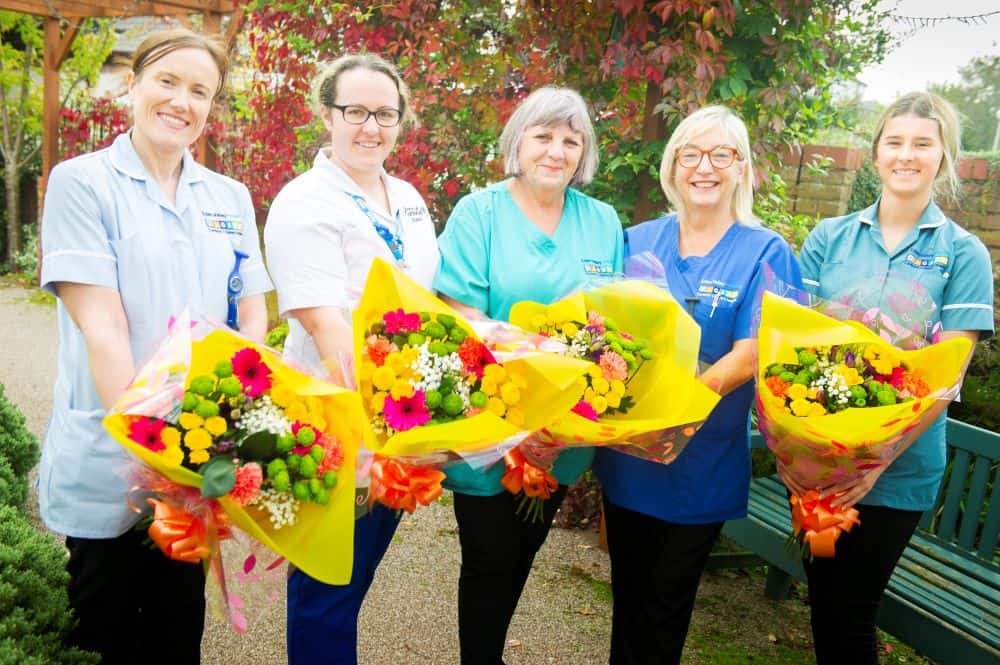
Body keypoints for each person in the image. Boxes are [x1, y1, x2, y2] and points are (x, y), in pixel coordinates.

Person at [37, 28, 271, 663]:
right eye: (168, 81)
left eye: (201, 91)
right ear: (132, 85)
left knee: (176, 630)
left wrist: (229, 420)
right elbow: (103, 327)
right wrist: (161, 445)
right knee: (103, 630)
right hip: (116, 450)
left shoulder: (229, 198)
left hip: (201, 455)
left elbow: (252, 314)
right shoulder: (82, 183)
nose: (182, 102)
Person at [591, 105, 802, 664]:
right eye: (691, 153)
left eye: (721, 154)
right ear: (672, 166)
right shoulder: (634, 242)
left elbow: (755, 349)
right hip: (629, 456)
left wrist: (682, 404)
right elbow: (599, 331)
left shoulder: (766, 251)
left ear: (742, 169)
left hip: (700, 461)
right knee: (628, 597)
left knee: (666, 604)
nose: (704, 167)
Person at [794, 91, 993, 665]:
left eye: (923, 144)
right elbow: (793, 345)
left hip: (899, 470)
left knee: (851, 610)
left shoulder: (963, 254)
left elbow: (945, 376)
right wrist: (807, 451)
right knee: (825, 604)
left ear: (944, 157)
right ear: (876, 153)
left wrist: (873, 463)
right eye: (896, 142)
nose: (907, 155)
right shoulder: (828, 238)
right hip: (818, 460)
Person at [434, 86, 623, 665]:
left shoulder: (602, 220)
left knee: (523, 551)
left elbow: (611, 319)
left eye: (572, 139)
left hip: (562, 432)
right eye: (543, 135)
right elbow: (457, 310)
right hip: (493, 423)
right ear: (519, 140)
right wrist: (527, 346)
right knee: (488, 560)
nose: (557, 150)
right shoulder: (480, 211)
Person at [264, 54, 439, 665]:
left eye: (385, 113)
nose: (371, 126)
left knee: (353, 583)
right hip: (334, 428)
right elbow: (326, 324)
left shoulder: (410, 198)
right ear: (327, 114)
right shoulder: (304, 201)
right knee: (325, 590)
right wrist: (399, 415)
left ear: (401, 119)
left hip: (399, 427)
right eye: (356, 111)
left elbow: (425, 308)